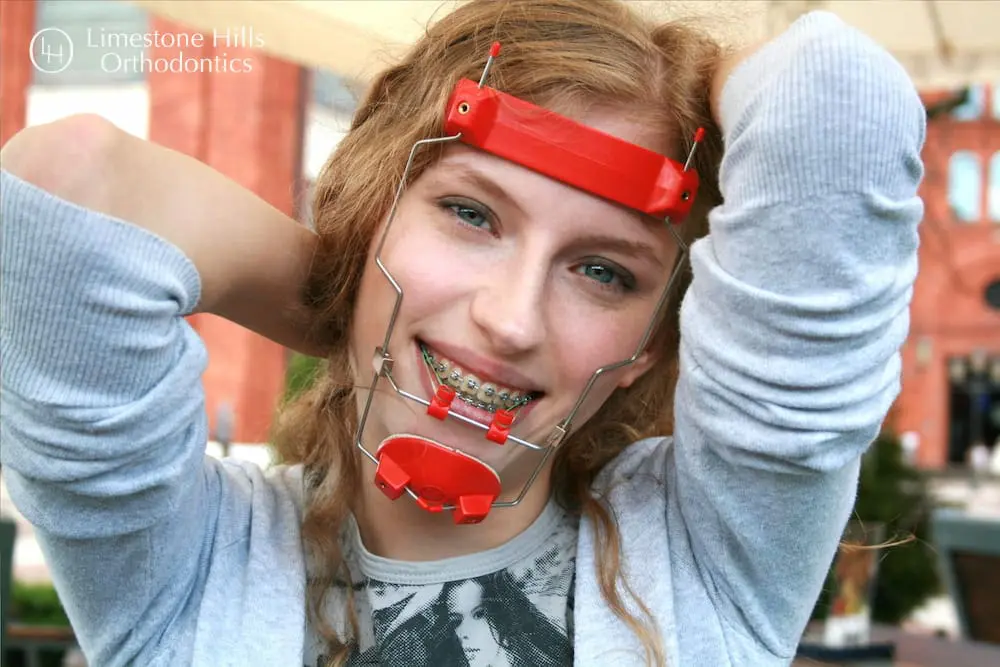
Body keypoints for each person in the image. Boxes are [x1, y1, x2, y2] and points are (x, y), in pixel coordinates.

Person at [0, 0, 926, 665]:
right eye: (472, 214)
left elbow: (834, 98)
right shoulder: (190, 562)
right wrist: (349, 298)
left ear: (650, 344)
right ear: (370, 215)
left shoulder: (705, 558)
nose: (511, 318)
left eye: (603, 271)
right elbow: (68, 183)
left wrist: (685, 75)